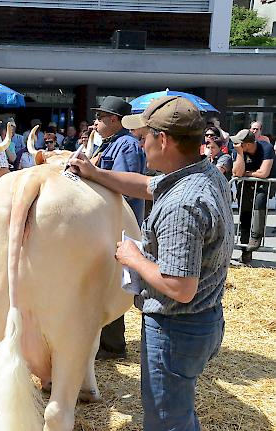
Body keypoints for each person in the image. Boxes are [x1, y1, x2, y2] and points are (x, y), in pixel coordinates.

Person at [69, 95, 233, 431]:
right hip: (204, 319)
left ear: (164, 140)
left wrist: (134, 257)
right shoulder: (202, 174)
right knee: (179, 408)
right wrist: (95, 172)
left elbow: (179, 286)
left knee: (166, 420)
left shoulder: (182, 205)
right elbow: (146, 186)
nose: (139, 144)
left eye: (144, 137)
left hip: (176, 326)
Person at [90, 96, 146, 361]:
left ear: (114, 120)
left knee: (114, 281)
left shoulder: (126, 146)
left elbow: (126, 188)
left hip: (118, 223)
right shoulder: (111, 143)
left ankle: (113, 346)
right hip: (107, 221)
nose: (96, 122)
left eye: (101, 117)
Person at [231, 129, 276, 264]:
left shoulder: (266, 147)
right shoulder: (238, 150)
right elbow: (238, 173)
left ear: (248, 144)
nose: (236, 145)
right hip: (246, 185)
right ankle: (246, 250)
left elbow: (264, 173)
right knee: (245, 214)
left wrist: (248, 173)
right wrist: (239, 154)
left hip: (265, 184)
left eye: (240, 143)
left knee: (260, 200)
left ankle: (256, 237)